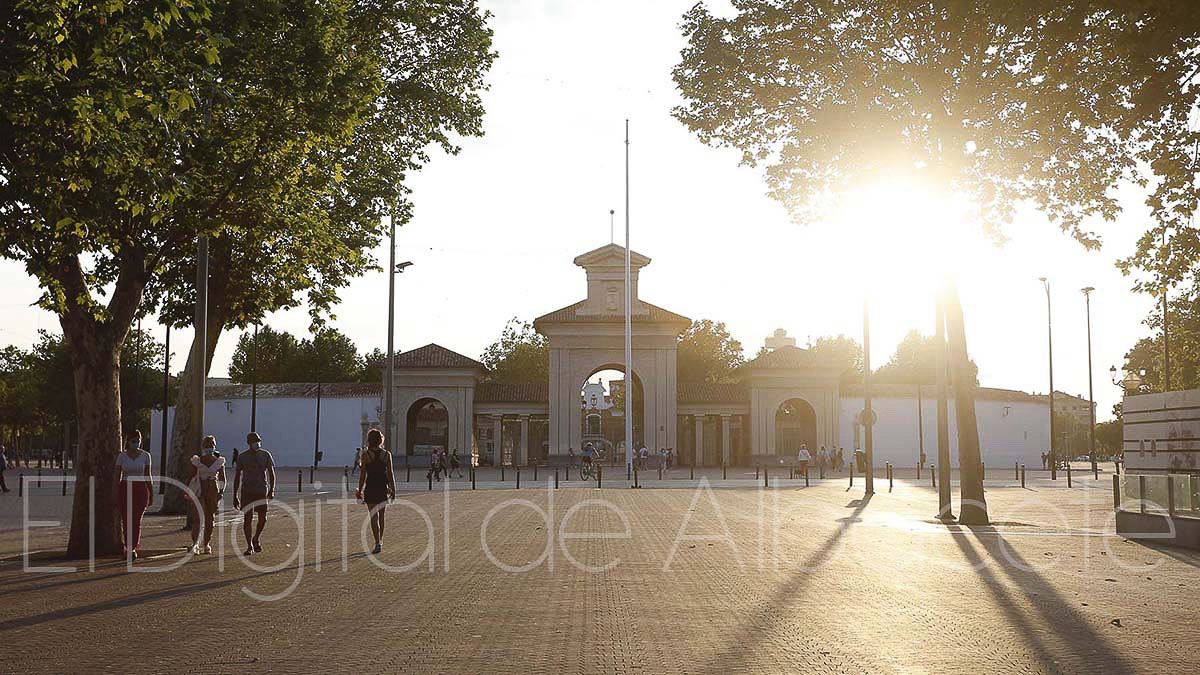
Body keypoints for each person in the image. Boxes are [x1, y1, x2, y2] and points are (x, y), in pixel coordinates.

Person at [233, 431, 275, 556]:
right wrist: (235, 495)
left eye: (257, 441)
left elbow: (271, 473)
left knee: (263, 518)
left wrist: (272, 489)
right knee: (247, 518)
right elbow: (237, 476)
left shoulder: (265, 455)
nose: (256, 444)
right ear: (249, 443)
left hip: (261, 490)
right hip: (247, 491)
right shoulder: (242, 457)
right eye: (254, 442)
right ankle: (249, 545)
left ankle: (256, 537)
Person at [114, 430, 153, 559]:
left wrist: (151, 492)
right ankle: (127, 546)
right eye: (133, 441)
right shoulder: (122, 456)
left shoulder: (146, 456)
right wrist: (114, 493)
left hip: (140, 489)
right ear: (128, 441)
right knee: (126, 519)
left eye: (138, 441)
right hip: (125, 488)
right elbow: (117, 476)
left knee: (136, 520)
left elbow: (148, 475)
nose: (136, 443)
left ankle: (133, 547)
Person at [356, 429, 396, 554]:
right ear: (380, 439)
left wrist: (359, 490)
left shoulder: (365, 455)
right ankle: (380, 541)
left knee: (373, 516)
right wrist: (393, 488)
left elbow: (362, 475)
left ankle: (377, 541)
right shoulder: (386, 455)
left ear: (369, 440)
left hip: (370, 487)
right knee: (382, 516)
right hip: (382, 487)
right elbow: (390, 473)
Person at [187, 436, 226, 554]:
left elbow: (223, 478)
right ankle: (195, 543)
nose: (210, 447)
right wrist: (188, 490)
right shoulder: (197, 461)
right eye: (207, 445)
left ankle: (206, 543)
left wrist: (221, 492)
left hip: (213, 488)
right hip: (200, 488)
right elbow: (191, 476)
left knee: (210, 517)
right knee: (197, 517)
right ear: (203, 447)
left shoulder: (219, 462)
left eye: (211, 445)